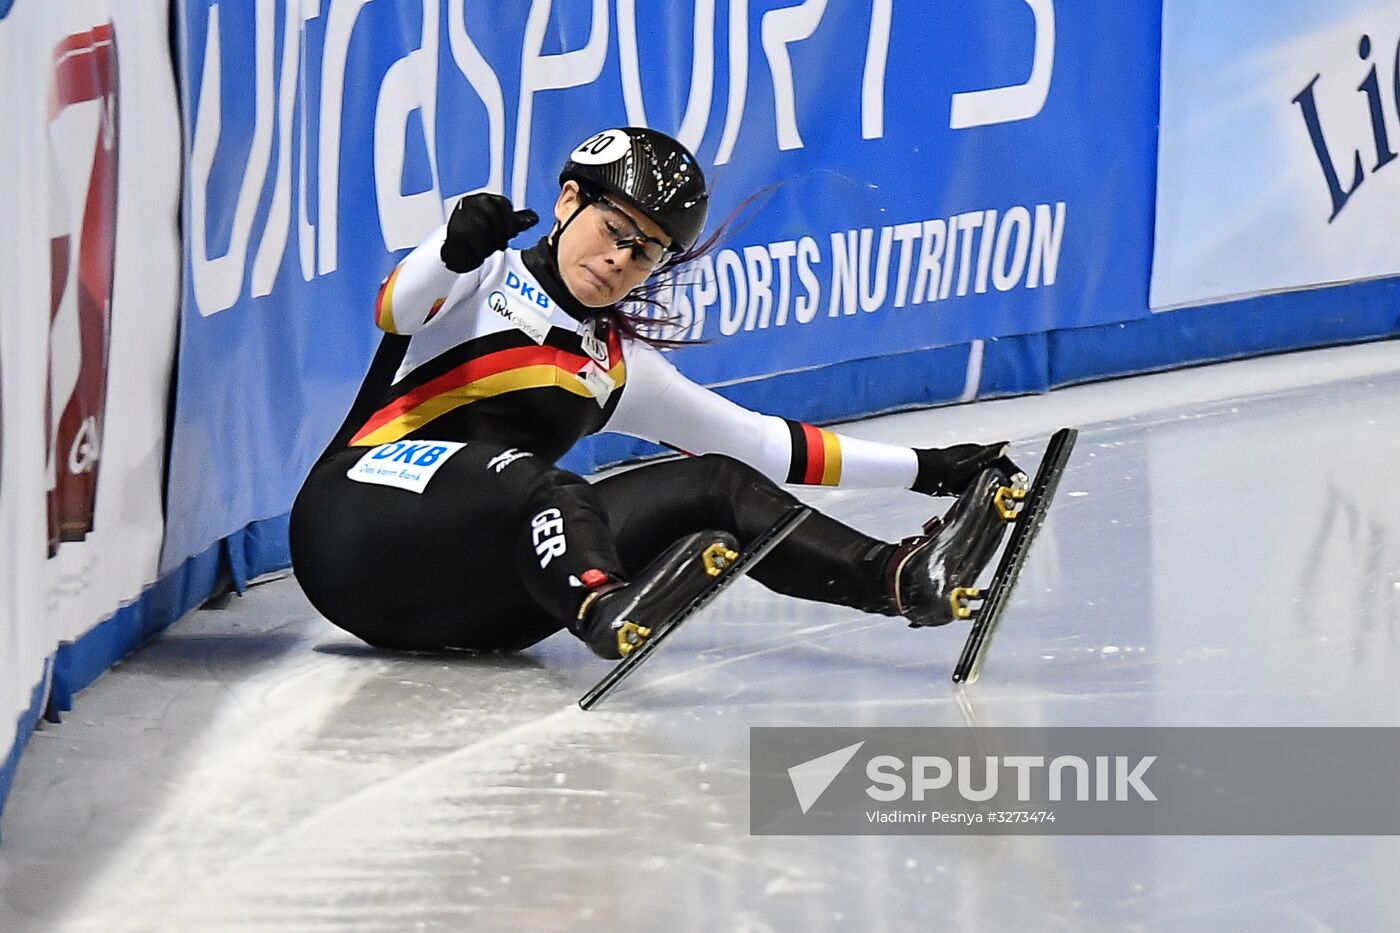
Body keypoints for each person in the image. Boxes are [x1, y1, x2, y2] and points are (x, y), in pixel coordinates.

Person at [290, 127, 1022, 661]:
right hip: (348, 529)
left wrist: (930, 468)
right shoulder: (482, 275)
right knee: (545, 483)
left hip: (480, 603)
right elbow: (397, 309)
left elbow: (767, 445)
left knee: (721, 485)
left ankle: (897, 578)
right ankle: (606, 602)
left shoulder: (614, 363)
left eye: (645, 252)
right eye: (613, 230)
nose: (619, 259)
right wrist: (452, 248)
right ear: (569, 199)